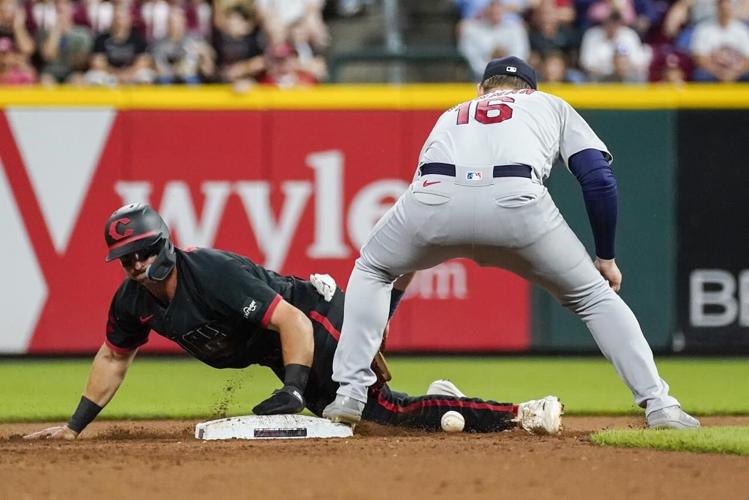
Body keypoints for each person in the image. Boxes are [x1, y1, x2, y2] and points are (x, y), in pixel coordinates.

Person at [323, 56, 700, 431]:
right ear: (530, 90)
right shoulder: (550, 104)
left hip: (434, 196)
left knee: (374, 268)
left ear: (481, 90)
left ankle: (351, 393)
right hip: (516, 200)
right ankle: (660, 406)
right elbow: (599, 179)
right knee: (594, 297)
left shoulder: (455, 112)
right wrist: (605, 257)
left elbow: (415, 231)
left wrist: (384, 311)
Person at [24, 203, 562, 440]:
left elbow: (293, 325)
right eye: (128, 259)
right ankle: (390, 291)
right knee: (354, 397)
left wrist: (293, 390)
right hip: (296, 333)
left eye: (143, 252)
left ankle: (521, 413)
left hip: (312, 315)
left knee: (380, 411)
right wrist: (74, 428)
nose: (137, 265)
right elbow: (114, 356)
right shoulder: (132, 301)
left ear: (163, 244)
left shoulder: (208, 272)